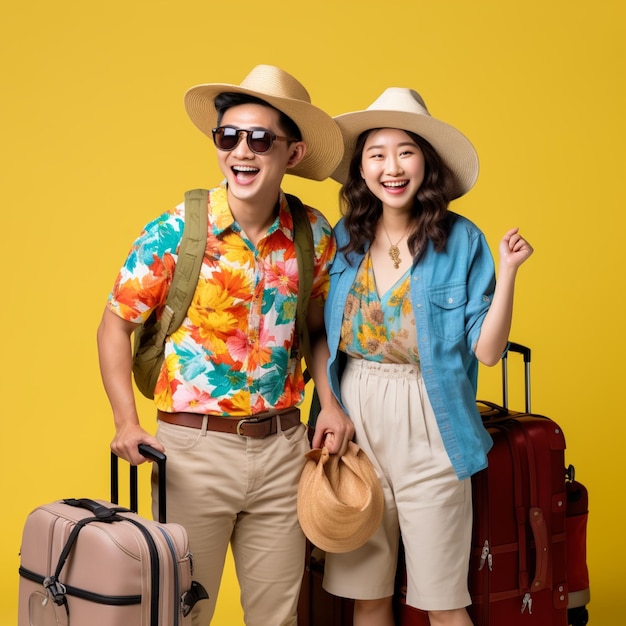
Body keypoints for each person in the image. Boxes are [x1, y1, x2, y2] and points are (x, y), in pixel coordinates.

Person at [96, 64, 354, 626]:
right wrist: (125, 421)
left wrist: (330, 404)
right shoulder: (177, 231)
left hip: (285, 449)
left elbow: (315, 330)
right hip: (192, 454)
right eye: (228, 136)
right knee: (180, 613)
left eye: (260, 138)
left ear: (292, 152)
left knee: (278, 617)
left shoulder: (313, 234)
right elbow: (114, 324)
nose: (242, 150)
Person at [320, 88, 534, 626]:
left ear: (426, 163)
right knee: (366, 595)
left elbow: (486, 354)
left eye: (405, 151)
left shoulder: (462, 241)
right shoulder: (345, 237)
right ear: (361, 169)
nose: (391, 167)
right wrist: (331, 408)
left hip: (431, 417)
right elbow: (317, 332)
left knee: (441, 600)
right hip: (356, 418)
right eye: (376, 153)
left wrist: (507, 275)